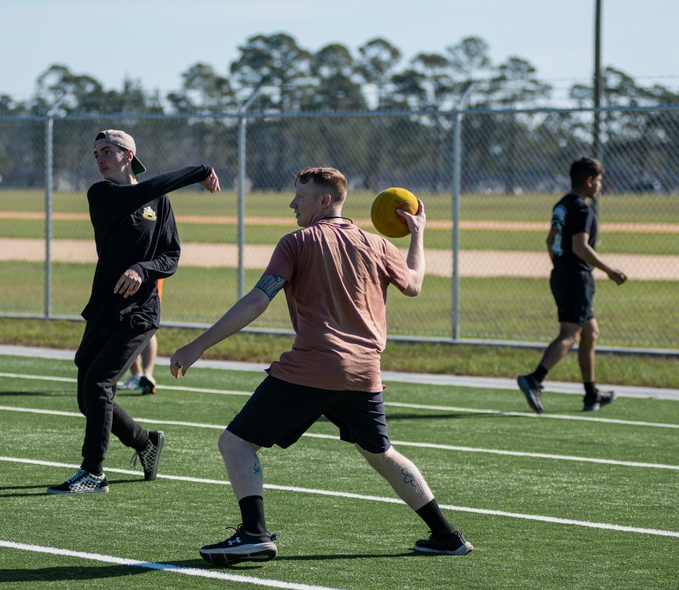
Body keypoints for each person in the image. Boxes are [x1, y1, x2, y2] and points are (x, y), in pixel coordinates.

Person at [169, 166, 472, 564]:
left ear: (324, 200)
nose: (292, 203)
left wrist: (197, 346)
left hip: (313, 368)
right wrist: (418, 233)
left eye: (301, 195)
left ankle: (255, 534)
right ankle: (446, 536)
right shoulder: (376, 244)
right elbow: (414, 282)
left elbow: (259, 300)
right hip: (364, 372)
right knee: (381, 454)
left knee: (236, 442)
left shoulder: (296, 242)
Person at [47, 129, 221, 495]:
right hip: (102, 310)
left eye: (107, 151)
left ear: (128, 155)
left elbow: (171, 255)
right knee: (88, 397)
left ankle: (93, 473)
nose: (99, 158)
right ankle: (145, 442)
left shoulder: (160, 203)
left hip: (139, 313)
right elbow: (142, 191)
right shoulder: (102, 194)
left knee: (98, 385)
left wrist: (143, 270)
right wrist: (198, 172)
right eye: (96, 152)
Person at [517, 157, 628, 414]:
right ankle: (534, 379)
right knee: (570, 334)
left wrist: (561, 265)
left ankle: (591, 394)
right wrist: (610, 271)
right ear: (589, 181)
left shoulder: (561, 205)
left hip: (560, 274)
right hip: (577, 278)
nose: (600, 185)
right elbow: (580, 246)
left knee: (591, 332)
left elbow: (550, 241)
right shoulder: (583, 209)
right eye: (598, 180)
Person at [118, 280, 163, 395]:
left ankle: (139, 375)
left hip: (139, 280)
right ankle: (146, 375)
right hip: (143, 279)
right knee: (143, 324)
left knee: (129, 324)